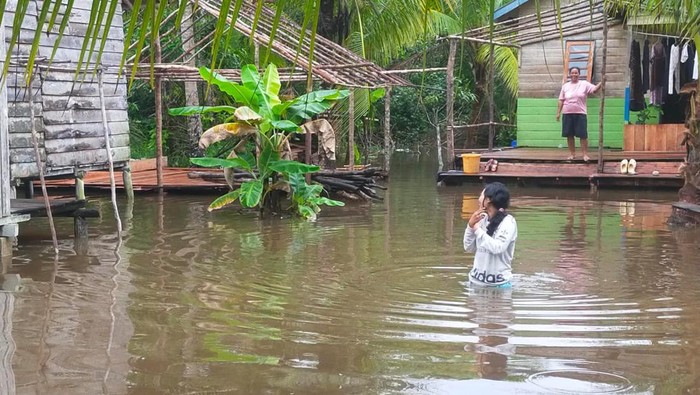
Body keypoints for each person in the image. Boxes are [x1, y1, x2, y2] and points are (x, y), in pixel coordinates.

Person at [464, 182, 517, 288]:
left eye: (481, 196)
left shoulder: (508, 222)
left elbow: (498, 247)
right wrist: (470, 226)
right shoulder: (481, 219)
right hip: (475, 283)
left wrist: (477, 230)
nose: (479, 199)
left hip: (500, 285)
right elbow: (468, 247)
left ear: (488, 200)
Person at [555, 67, 604, 162]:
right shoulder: (565, 86)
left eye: (576, 73)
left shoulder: (584, 84)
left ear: (579, 74)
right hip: (567, 113)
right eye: (572, 73)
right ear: (569, 74)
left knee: (583, 135)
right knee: (569, 135)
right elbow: (561, 100)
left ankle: (585, 155)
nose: (574, 75)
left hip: (580, 113)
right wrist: (558, 113)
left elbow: (594, 90)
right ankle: (572, 154)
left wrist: (602, 82)